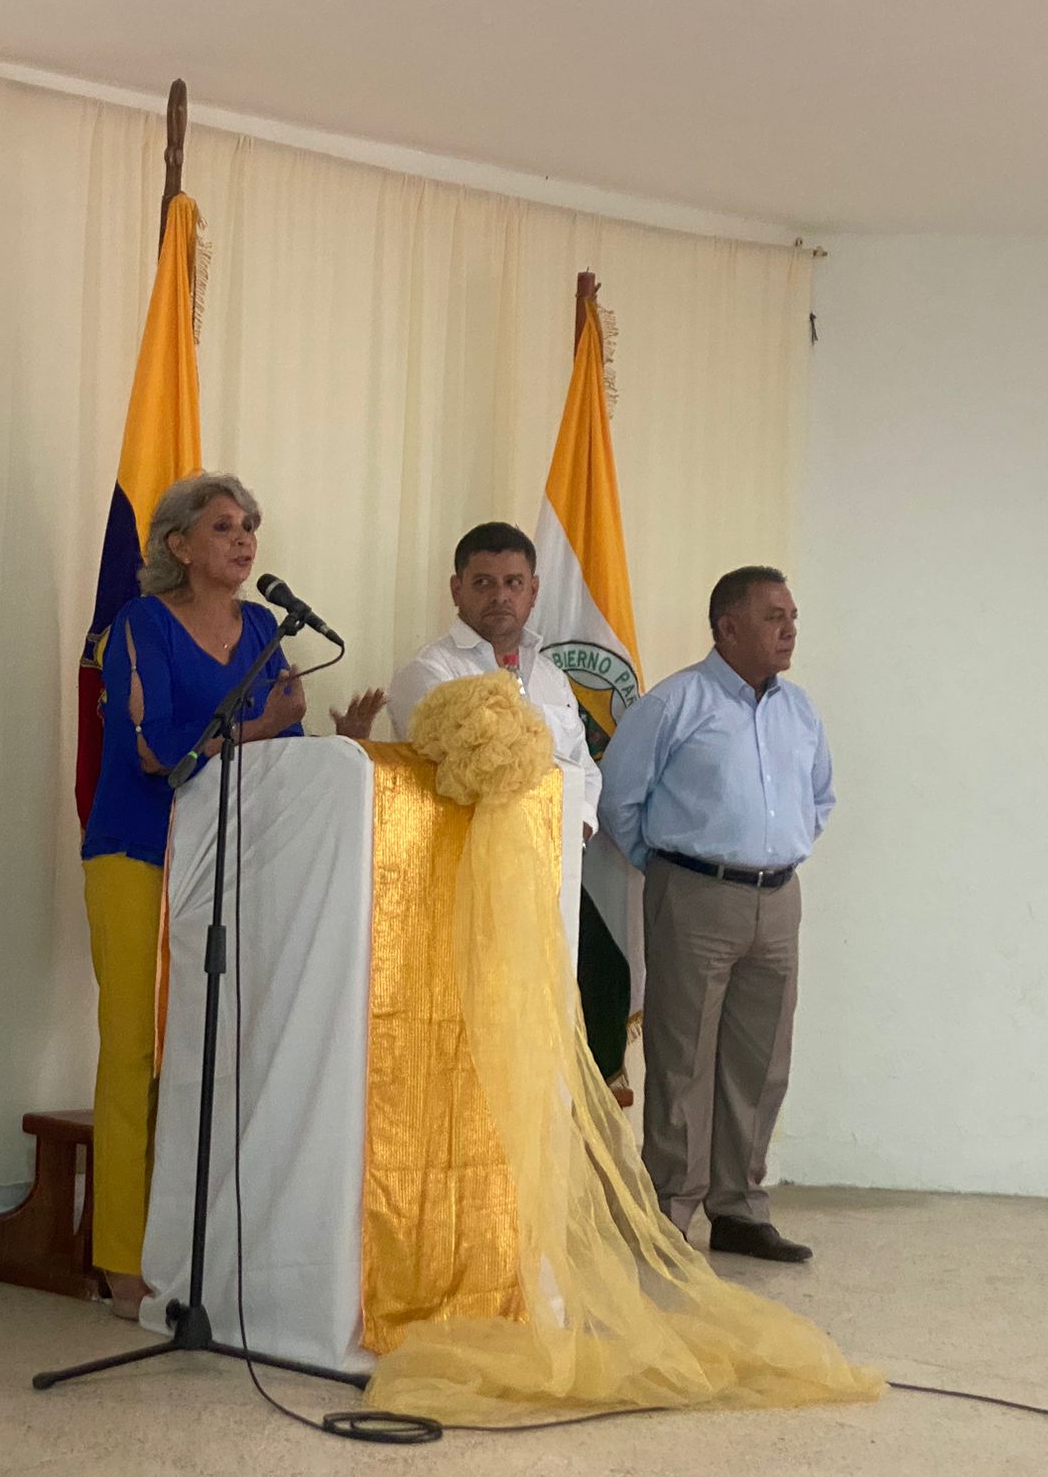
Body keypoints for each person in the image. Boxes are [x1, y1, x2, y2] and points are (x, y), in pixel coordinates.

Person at [82, 471, 307, 1319]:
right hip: (137, 851)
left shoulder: (263, 627)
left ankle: (190, 1242)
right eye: (223, 526)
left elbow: (284, 735)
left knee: (208, 1056)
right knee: (133, 1052)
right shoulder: (139, 623)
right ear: (178, 544)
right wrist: (262, 725)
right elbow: (154, 748)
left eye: (249, 526)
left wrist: (332, 743)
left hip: (229, 857)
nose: (244, 540)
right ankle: (120, 1259)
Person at [597, 566, 831, 1263]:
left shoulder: (799, 710)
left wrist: (773, 853)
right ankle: (669, 1212)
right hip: (695, 892)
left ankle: (740, 1210)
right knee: (684, 1059)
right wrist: (675, 870)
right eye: (773, 617)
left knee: (762, 1062)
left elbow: (820, 798)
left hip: (778, 899)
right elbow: (619, 798)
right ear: (728, 627)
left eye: (792, 616)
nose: (790, 629)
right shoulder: (675, 703)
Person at [337, 523, 601, 959]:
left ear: (533, 591)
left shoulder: (553, 678)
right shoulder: (430, 673)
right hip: (464, 876)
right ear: (456, 590)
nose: (500, 596)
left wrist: (579, 828)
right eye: (483, 583)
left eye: (513, 583)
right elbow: (472, 774)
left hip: (553, 872)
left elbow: (583, 766)